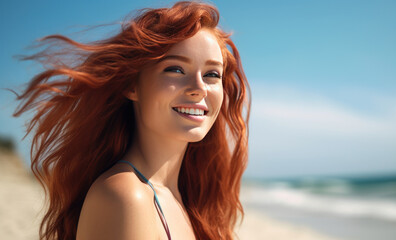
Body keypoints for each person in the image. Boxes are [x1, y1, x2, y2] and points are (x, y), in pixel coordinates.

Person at [14, 1, 250, 239]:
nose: (199, 89)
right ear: (131, 85)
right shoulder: (125, 197)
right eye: (176, 69)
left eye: (212, 74)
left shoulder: (185, 198)